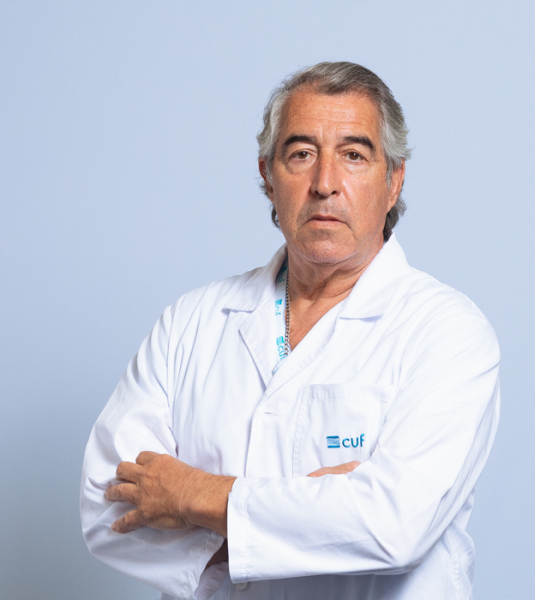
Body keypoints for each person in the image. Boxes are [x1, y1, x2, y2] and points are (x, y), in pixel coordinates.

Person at [81, 61, 500, 600]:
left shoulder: (447, 332)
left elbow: (393, 526)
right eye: (301, 154)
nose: (325, 184)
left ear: (393, 180)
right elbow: (105, 508)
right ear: (267, 175)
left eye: (354, 155)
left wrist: (192, 495)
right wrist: (317, 513)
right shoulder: (190, 323)